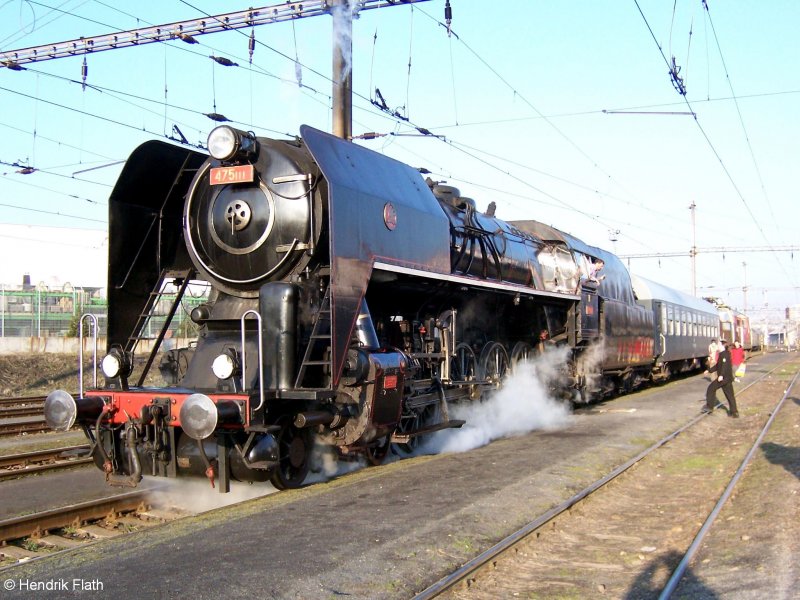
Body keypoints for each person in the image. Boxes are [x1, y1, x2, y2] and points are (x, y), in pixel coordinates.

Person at [704, 339, 739, 417]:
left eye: (719, 344)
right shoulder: (723, 354)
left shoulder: (724, 354)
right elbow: (718, 366)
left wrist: (721, 375)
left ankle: (709, 407)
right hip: (727, 378)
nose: (717, 346)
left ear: (722, 345)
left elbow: (724, 366)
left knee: (711, 388)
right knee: (730, 395)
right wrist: (709, 370)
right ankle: (734, 412)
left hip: (723, 378)